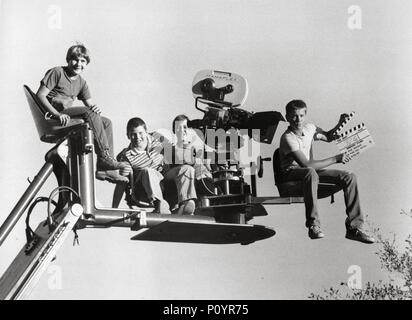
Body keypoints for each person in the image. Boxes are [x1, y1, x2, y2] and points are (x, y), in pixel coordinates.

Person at [278, 99, 374, 243]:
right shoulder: (288, 138)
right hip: (292, 176)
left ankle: (354, 228)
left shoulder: (309, 128)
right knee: (310, 172)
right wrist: (336, 158)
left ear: (306, 115)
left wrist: (339, 124)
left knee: (349, 177)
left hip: (311, 173)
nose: (298, 119)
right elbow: (305, 164)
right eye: (294, 116)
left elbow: (328, 136)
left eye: (301, 115)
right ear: (287, 117)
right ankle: (313, 225)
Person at [36, 44, 128, 183]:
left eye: (83, 61)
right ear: (68, 59)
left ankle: (105, 169)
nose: (79, 64)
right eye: (75, 59)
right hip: (54, 117)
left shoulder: (81, 82)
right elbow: (40, 95)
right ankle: (104, 157)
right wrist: (56, 114)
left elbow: (90, 105)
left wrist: (95, 109)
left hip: (67, 116)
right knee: (90, 114)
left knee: (106, 122)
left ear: (86, 63)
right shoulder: (57, 72)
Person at [113, 117, 170, 213]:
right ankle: (159, 203)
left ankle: (186, 203)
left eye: (140, 133)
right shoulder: (127, 156)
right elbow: (121, 183)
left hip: (163, 181)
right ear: (128, 136)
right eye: (133, 134)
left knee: (186, 169)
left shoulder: (157, 139)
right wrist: (114, 208)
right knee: (147, 171)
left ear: (146, 132)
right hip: (144, 189)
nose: (138, 137)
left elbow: (174, 152)